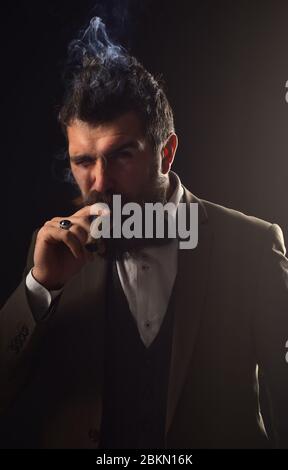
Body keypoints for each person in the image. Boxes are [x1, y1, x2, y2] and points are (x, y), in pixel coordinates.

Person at [1, 17, 288, 449]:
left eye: (121, 155)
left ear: (166, 152)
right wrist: (39, 288)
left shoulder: (252, 245)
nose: (98, 183)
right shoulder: (54, 253)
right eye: (83, 161)